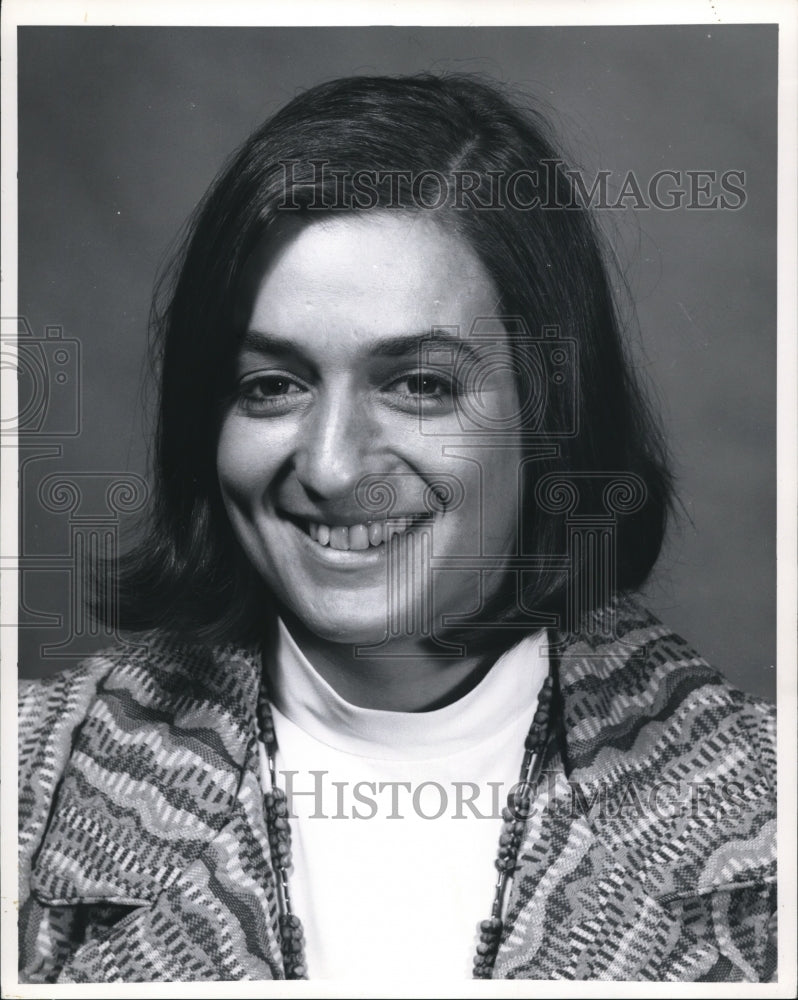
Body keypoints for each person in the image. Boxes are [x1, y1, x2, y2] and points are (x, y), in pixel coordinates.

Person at [18, 73, 776, 983]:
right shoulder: (29, 776)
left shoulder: (769, 803)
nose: (334, 467)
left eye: (420, 385)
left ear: (548, 420)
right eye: (273, 386)